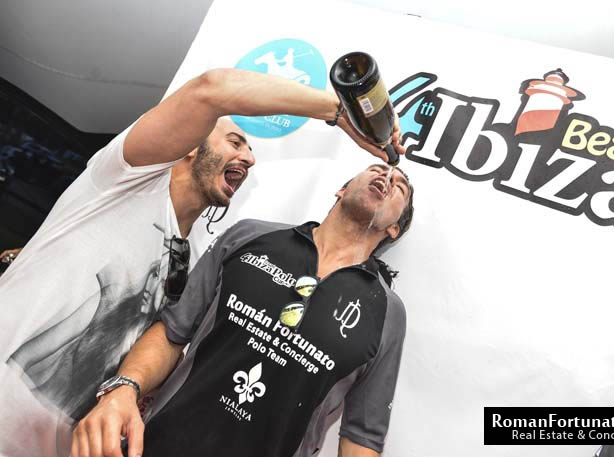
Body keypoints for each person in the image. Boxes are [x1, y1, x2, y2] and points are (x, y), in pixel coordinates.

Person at [0, 68, 405, 457]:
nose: (249, 159)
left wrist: (128, 392)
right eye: (235, 142)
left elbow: (164, 341)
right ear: (191, 143)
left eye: (249, 149)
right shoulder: (124, 180)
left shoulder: (193, 254)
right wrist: (340, 111)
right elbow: (213, 88)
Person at [72, 163, 414, 457]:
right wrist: (124, 388)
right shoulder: (250, 236)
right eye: (377, 169)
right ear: (341, 190)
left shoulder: (387, 312)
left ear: (394, 227)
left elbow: (361, 435)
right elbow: (173, 332)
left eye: (399, 186)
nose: (386, 177)